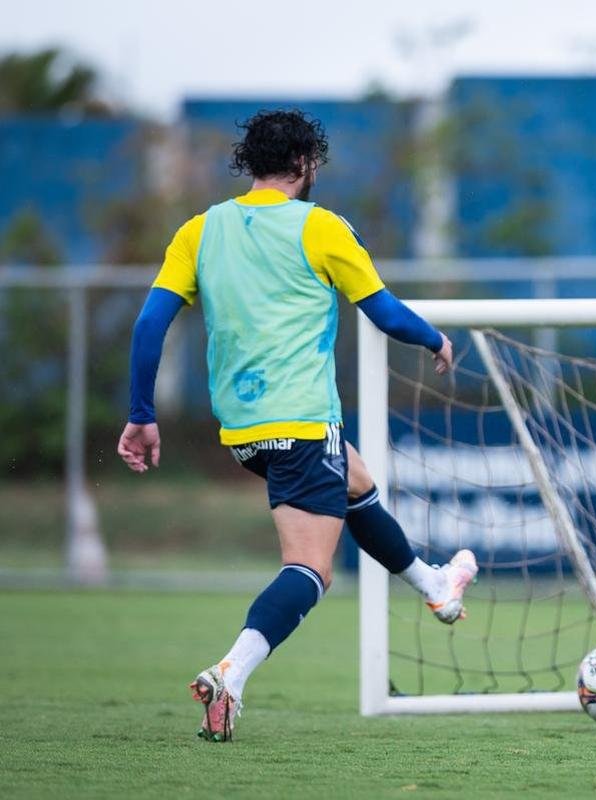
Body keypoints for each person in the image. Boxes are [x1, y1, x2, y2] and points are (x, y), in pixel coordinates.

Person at [116, 109, 477, 742]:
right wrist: (435, 338)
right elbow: (384, 311)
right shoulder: (321, 227)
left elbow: (149, 325)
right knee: (311, 570)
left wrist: (142, 414)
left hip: (243, 433)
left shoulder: (199, 231)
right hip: (305, 423)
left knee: (356, 481)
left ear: (249, 164)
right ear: (307, 164)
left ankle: (434, 585)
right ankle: (232, 672)